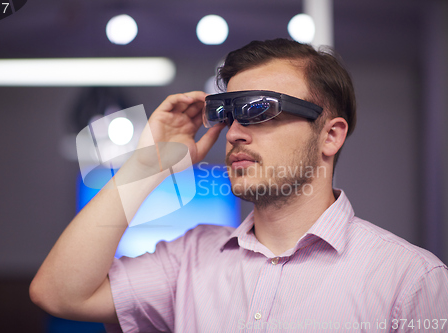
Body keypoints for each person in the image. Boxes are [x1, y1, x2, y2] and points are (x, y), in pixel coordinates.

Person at [30, 38, 448, 332]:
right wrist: (147, 165)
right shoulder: (189, 260)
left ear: (330, 135)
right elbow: (59, 294)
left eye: (258, 111)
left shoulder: (412, 282)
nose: (233, 134)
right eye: (228, 114)